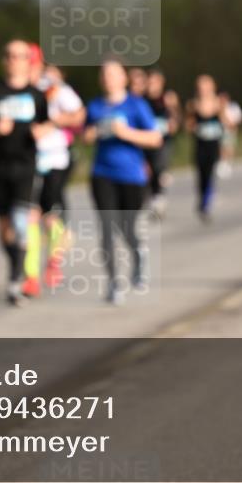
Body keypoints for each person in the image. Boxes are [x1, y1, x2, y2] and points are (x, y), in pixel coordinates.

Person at [0, 40, 50, 305]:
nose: (15, 60)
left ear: (29, 61)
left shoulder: (37, 94)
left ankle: (16, 278)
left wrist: (42, 131)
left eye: (21, 56)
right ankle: (16, 265)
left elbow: (50, 122)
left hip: (26, 166)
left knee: (21, 224)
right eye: (10, 56)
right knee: (4, 230)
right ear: (4, 60)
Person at [84, 58, 162, 305]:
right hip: (102, 173)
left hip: (132, 176)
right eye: (104, 74)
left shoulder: (136, 105)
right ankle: (113, 283)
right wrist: (93, 132)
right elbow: (84, 135)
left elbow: (155, 139)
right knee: (107, 229)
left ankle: (139, 254)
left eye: (113, 74)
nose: (108, 78)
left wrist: (125, 132)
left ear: (123, 78)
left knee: (126, 228)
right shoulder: (95, 106)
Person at [28, 45, 85, 289]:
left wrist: (53, 122)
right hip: (27, 159)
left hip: (54, 158)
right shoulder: (14, 89)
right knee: (30, 217)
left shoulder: (53, 88)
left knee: (50, 215)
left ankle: (54, 260)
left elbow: (79, 115)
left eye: (31, 62)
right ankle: (30, 277)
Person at [185, 74, 236, 222]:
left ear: (212, 86)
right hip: (200, 144)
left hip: (214, 144)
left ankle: (206, 203)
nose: (203, 89)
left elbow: (228, 123)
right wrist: (194, 127)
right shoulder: (193, 105)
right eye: (201, 86)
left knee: (210, 172)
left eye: (206, 86)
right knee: (200, 173)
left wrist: (225, 119)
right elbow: (188, 125)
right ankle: (201, 199)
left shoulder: (219, 104)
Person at [144, 69, 181, 217]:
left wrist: (173, 116)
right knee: (148, 170)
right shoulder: (142, 99)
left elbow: (176, 118)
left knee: (159, 166)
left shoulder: (168, 97)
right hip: (147, 140)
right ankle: (154, 196)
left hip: (164, 140)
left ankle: (159, 197)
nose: (152, 85)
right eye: (150, 81)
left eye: (155, 81)